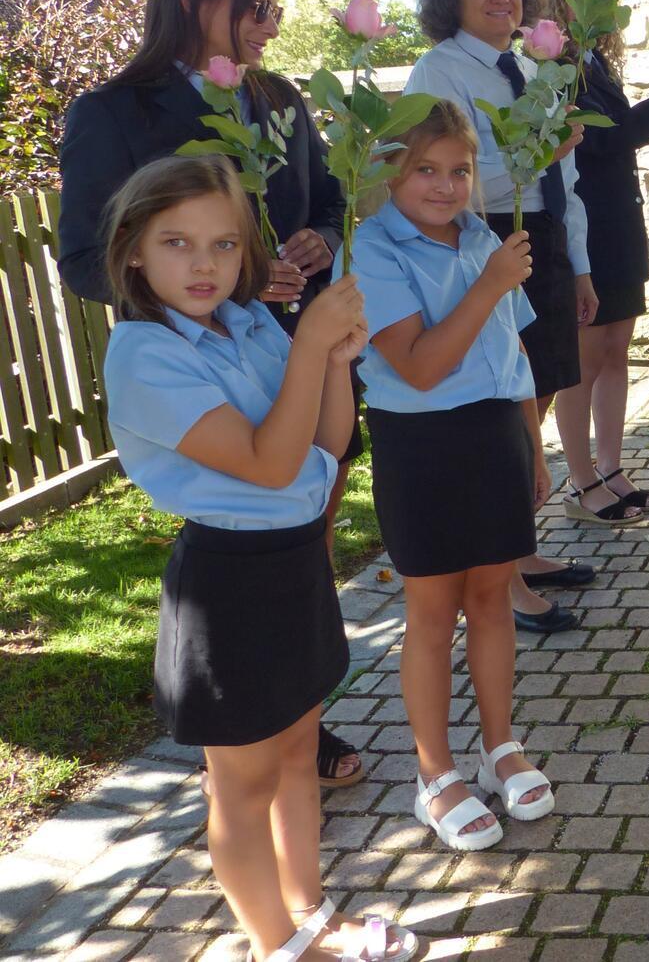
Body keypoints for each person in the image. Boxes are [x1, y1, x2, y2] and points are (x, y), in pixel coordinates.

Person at [56, 0, 365, 791]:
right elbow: (85, 258)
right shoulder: (112, 113)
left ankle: (301, 702)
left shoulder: (280, 98)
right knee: (250, 539)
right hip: (212, 374)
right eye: (257, 7)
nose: (269, 25)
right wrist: (224, 285)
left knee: (310, 525)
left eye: (276, 9)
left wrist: (316, 242)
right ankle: (252, 726)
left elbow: (330, 200)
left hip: (296, 353)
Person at [101, 155, 416, 961]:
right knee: (240, 787)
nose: (204, 265)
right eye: (176, 243)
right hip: (229, 582)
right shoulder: (143, 354)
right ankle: (276, 942)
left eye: (223, 246)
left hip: (294, 565)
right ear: (133, 250)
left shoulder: (246, 325)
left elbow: (326, 445)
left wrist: (336, 362)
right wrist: (310, 341)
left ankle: (310, 912)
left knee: (295, 756)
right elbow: (270, 465)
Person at [349, 101, 557, 851]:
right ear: (390, 175)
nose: (444, 186)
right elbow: (423, 367)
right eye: (425, 171)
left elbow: (514, 355)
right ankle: (434, 775)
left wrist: (534, 448)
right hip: (424, 441)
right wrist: (491, 283)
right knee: (433, 614)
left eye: (459, 171)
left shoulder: (482, 237)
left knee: (493, 599)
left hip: (496, 433)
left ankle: (501, 747)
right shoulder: (371, 249)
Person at [407, 0, 601, 630]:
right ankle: (503, 580)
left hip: (538, 241)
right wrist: (534, 157)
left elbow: (564, 177)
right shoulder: (440, 71)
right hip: (480, 248)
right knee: (503, 416)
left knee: (535, 400)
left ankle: (522, 551)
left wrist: (577, 264)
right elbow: (439, 181)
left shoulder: (529, 68)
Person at [548, 0, 649, 518]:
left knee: (616, 354)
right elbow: (606, 141)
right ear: (559, 4)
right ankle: (581, 483)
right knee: (584, 360)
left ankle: (611, 466)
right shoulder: (555, 67)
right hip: (588, 232)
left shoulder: (594, 62)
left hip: (620, 227)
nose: (595, 9)